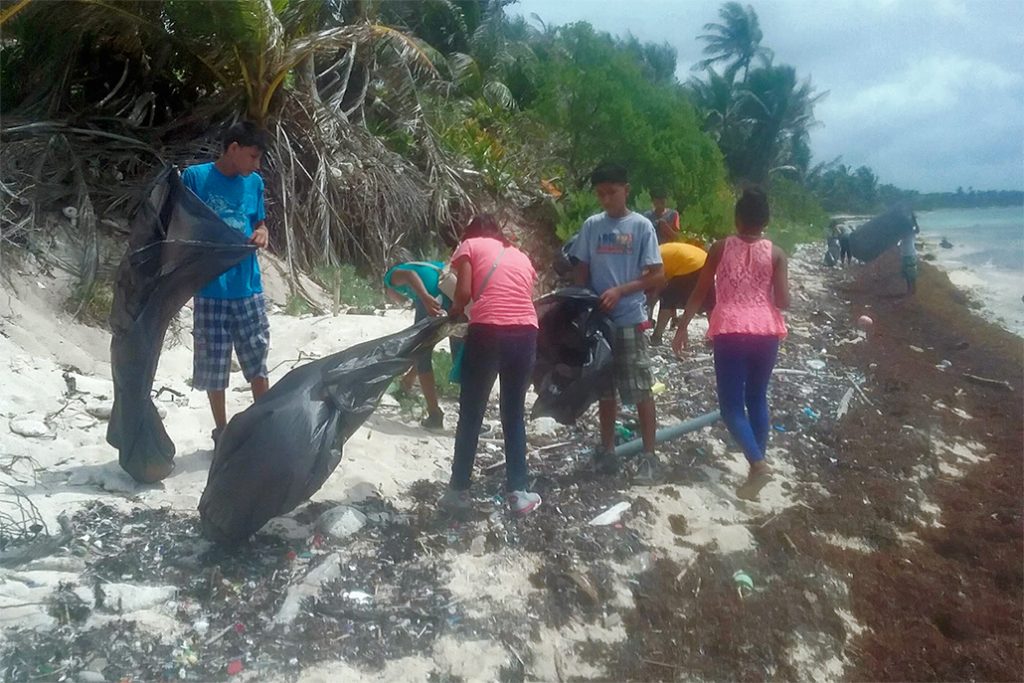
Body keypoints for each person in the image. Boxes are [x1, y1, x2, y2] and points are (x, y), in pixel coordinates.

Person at [673, 187, 789, 501]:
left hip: (731, 330)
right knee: (757, 399)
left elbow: (699, 292)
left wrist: (682, 327)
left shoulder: (720, 248)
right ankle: (756, 468)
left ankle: (758, 464)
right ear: (766, 220)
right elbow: (784, 300)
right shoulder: (777, 253)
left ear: (737, 218)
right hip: (766, 331)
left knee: (731, 406)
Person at [441, 214, 542, 517]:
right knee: (513, 414)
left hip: (488, 331)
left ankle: (458, 491)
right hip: (525, 332)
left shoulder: (468, 246)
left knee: (471, 414)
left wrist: (455, 314)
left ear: (470, 232)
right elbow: (523, 295)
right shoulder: (521, 256)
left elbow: (463, 293)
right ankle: (519, 492)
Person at [570, 164, 665, 483]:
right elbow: (581, 268)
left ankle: (650, 456)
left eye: (611, 192)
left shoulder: (641, 227)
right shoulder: (592, 226)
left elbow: (657, 274)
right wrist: (581, 304)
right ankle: (607, 450)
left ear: (626, 189)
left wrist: (620, 291)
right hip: (599, 323)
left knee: (640, 388)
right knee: (604, 389)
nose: (606, 199)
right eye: (600, 193)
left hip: (629, 319)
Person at [183, 122, 271, 445]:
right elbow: (180, 225)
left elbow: (259, 222)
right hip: (209, 290)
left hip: (248, 288)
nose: (256, 165)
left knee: (257, 359)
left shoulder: (255, 183)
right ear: (233, 149)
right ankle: (221, 432)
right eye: (252, 156)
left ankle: (264, 427)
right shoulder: (194, 179)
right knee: (213, 365)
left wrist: (263, 232)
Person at [383, 253, 456, 430]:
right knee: (457, 355)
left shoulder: (391, 276)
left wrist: (423, 296)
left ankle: (434, 414)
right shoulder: (429, 266)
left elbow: (409, 276)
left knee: (421, 350)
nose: (396, 298)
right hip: (455, 298)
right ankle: (473, 419)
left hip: (431, 297)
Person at [648, 241, 714, 346]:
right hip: (704, 260)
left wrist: (654, 295)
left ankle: (657, 336)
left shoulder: (650, 261)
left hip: (687, 264)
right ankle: (715, 336)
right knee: (710, 302)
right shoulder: (657, 251)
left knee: (667, 300)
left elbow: (661, 284)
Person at [899, 216, 920, 295]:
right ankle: (909, 290)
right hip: (905, 254)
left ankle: (913, 290)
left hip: (910, 254)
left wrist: (914, 220)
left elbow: (917, 230)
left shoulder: (911, 232)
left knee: (912, 274)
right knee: (907, 274)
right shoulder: (902, 233)